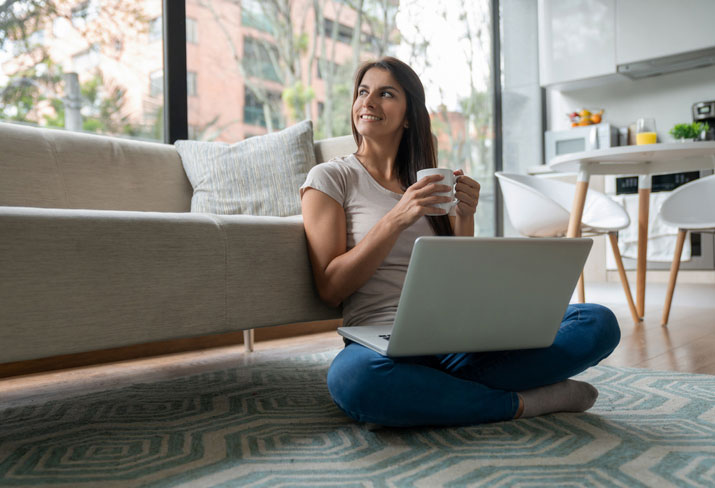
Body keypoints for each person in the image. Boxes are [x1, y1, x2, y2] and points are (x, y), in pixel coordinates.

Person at [300, 56, 620, 428]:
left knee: (597, 322)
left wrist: (464, 217)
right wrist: (396, 218)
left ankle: (432, 396)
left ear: (408, 115)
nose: (368, 102)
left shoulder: (430, 185)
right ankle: (524, 403)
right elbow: (329, 287)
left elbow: (456, 277)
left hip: (457, 338)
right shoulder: (330, 178)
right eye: (362, 92)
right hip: (380, 345)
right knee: (353, 381)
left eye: (385, 93)